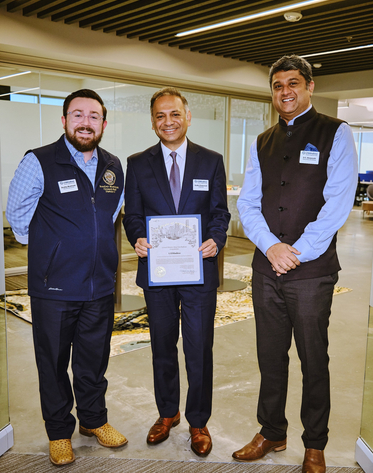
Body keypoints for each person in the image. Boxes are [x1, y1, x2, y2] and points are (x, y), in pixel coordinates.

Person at [234, 55, 357, 472]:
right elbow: (247, 202)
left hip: (311, 270)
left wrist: (295, 252)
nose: (284, 92)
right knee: (270, 355)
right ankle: (271, 432)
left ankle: (314, 443)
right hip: (266, 268)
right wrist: (271, 247)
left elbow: (338, 202)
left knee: (312, 357)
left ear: (309, 87)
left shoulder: (335, 133)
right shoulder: (261, 140)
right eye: (277, 86)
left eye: (292, 83)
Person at [6, 89, 127, 466]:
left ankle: (93, 420)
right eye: (77, 115)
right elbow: (17, 215)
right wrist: (53, 247)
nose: (85, 122)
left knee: (94, 360)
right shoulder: (39, 161)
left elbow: (109, 216)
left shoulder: (112, 165)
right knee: (54, 362)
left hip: (99, 286)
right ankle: (59, 431)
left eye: (93, 116)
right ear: (64, 121)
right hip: (54, 288)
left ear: (103, 124)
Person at [123, 87, 230, 457]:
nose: (167, 122)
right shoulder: (136, 163)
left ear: (187, 117)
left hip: (198, 272)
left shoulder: (211, 161)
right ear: (153, 121)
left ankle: (198, 421)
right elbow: (132, 214)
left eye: (174, 114)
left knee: (200, 348)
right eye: (160, 116)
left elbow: (220, 212)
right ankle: (168, 413)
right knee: (162, 347)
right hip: (158, 273)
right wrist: (136, 236)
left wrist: (216, 238)